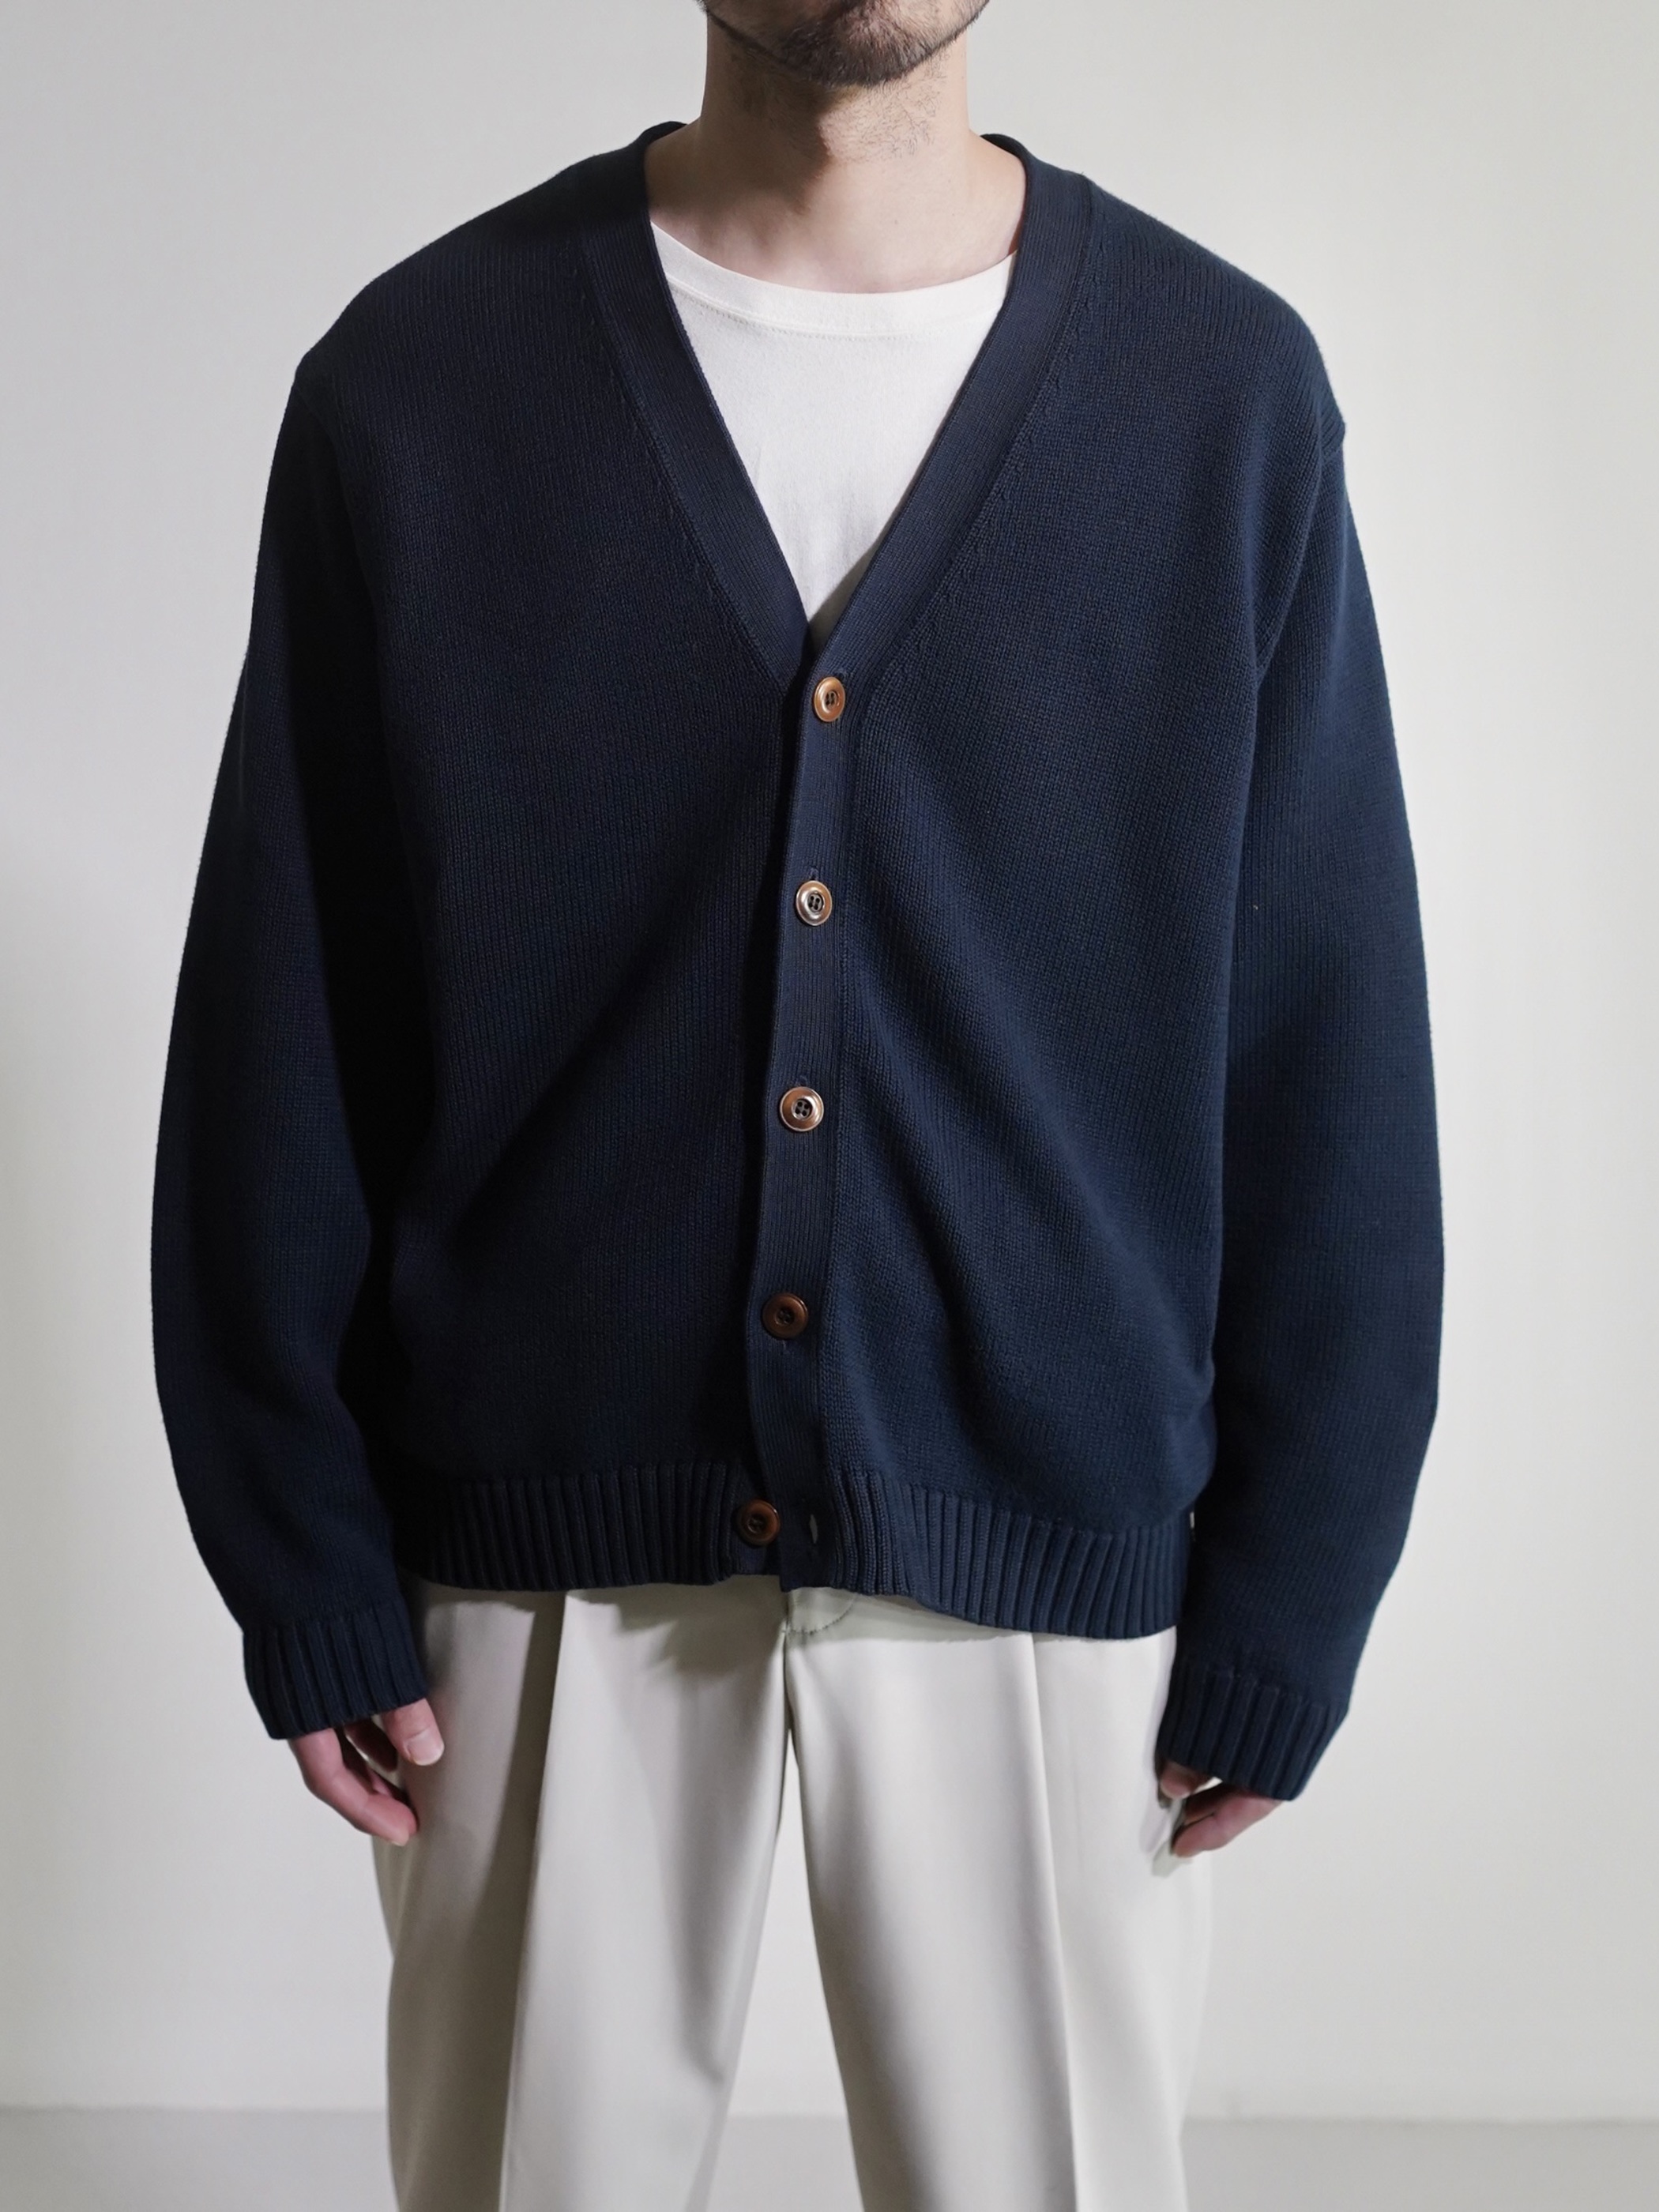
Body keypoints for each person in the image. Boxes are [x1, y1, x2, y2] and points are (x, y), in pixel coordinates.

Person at [151, 3, 1442, 2206]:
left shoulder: (1218, 396)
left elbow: (1326, 1043)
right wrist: (302, 1557)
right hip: (527, 1548)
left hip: (1045, 1534)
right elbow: (285, 1015)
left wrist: (1296, 1586)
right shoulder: (420, 384)